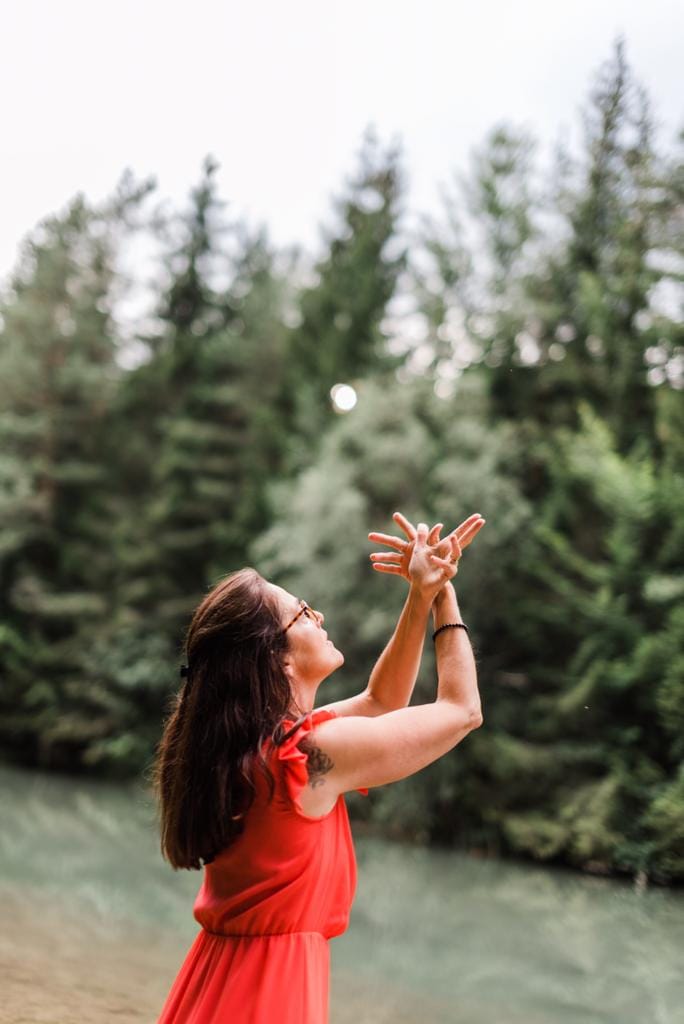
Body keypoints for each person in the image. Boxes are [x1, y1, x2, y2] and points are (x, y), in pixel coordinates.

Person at [153, 511, 485, 1023]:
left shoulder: (261, 747)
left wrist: (419, 597)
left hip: (217, 981)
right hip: (268, 993)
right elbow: (462, 710)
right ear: (279, 659)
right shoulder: (304, 758)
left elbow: (380, 700)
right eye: (303, 613)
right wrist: (445, 597)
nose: (319, 616)